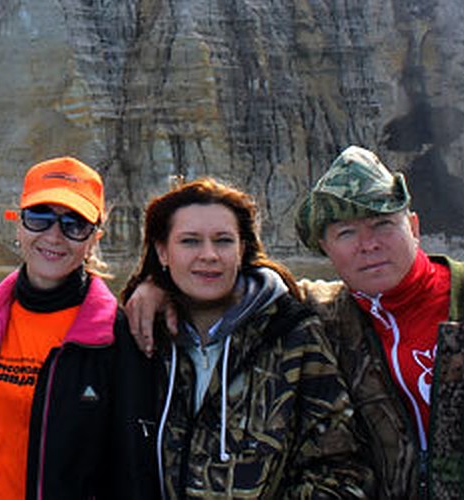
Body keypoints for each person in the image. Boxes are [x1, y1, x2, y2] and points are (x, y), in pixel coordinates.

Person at [131, 146, 464, 498]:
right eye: (345, 232)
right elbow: (242, 290)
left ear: (415, 227)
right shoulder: (319, 316)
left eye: (383, 224)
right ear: (326, 248)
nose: (369, 243)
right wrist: (154, 286)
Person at [121, 176, 373, 499]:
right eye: (190, 241)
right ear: (163, 251)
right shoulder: (140, 338)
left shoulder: (292, 335)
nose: (209, 255)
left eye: (223, 240)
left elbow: (340, 468)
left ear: (242, 249)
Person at [0, 156, 155, 499]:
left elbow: (133, 466)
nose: (54, 236)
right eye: (39, 218)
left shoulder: (121, 338)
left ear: (94, 238)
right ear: (19, 225)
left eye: (75, 224)